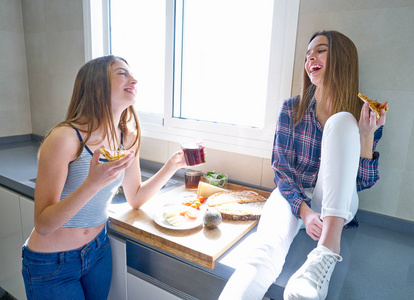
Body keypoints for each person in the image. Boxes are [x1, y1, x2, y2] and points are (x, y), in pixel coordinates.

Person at [219, 30, 387, 300]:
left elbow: (360, 184)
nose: (311, 59)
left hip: (337, 205)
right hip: (293, 197)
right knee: (263, 252)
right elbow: (282, 171)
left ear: (342, 59)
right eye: (308, 55)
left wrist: (366, 136)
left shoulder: (363, 114)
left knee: (342, 121)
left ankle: (327, 250)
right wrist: (305, 212)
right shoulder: (291, 109)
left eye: (320, 50)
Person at [21, 55, 187, 299]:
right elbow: (43, 225)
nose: (134, 79)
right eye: (122, 73)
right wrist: (92, 183)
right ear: (97, 84)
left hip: (98, 252)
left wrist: (173, 165)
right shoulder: (65, 139)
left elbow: (136, 197)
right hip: (52, 264)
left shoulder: (127, 139)